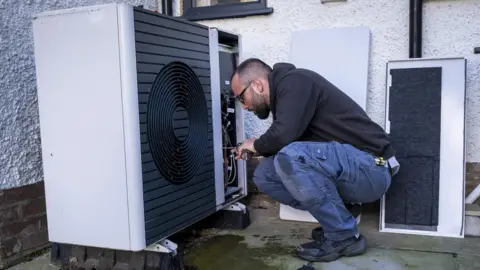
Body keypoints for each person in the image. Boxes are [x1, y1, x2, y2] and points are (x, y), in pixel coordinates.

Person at [231, 58, 399, 262]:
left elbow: (283, 136)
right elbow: (284, 141)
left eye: (241, 98)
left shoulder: (295, 81)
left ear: (257, 85)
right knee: (265, 174)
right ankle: (340, 215)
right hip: (354, 170)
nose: (244, 106)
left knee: (291, 155)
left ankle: (344, 237)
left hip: (375, 165)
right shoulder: (286, 97)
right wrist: (257, 147)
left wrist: (255, 144)